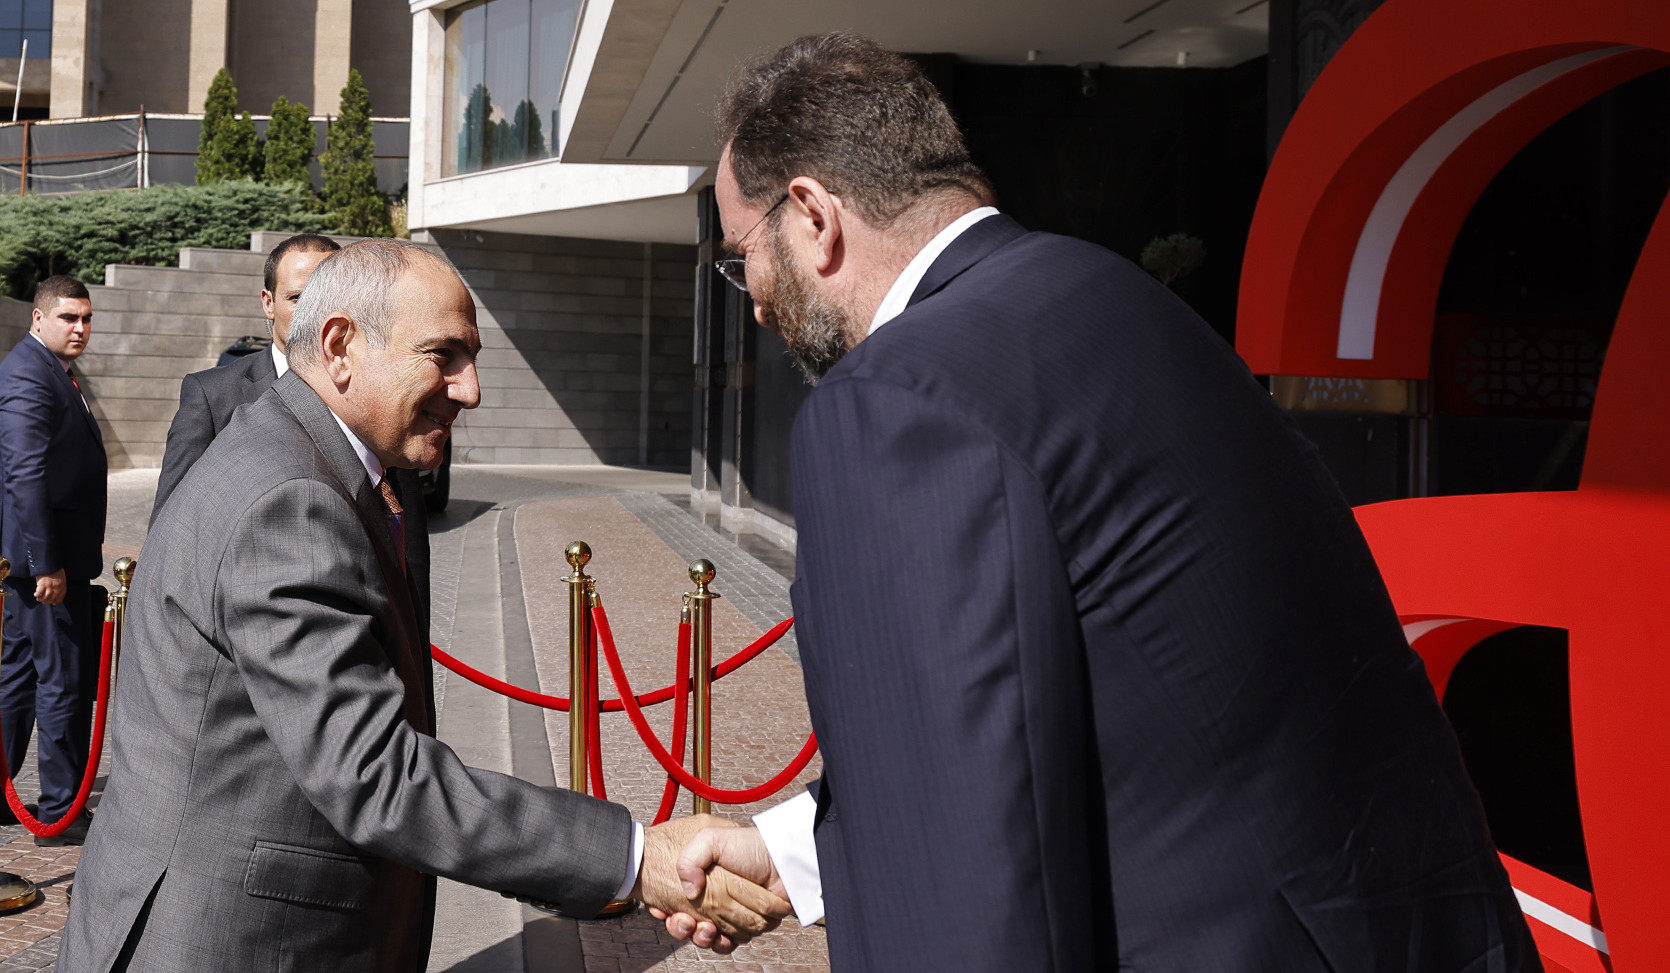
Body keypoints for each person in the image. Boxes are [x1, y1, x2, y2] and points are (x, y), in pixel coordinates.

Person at [658, 33, 1539, 971]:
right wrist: (796, 854)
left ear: (813, 215)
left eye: (743, 256)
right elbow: (1105, 705)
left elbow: (966, 892)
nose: (755, 301)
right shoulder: (1122, 298)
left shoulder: (894, 399)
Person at [59, 240, 788, 971]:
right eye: (444, 355)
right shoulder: (292, 500)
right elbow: (376, 774)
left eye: (472, 358)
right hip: (230, 941)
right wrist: (634, 856)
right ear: (340, 346)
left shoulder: (301, 456)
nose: (470, 390)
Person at [151, 233, 433, 636]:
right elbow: (170, 535)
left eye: (328, 296)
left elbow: (409, 550)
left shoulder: (379, 398)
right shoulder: (213, 397)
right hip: (245, 636)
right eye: (299, 297)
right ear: (268, 303)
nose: (313, 311)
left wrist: (414, 648)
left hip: (366, 628)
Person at [0, 275, 107, 846]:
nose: (80, 328)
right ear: (38, 318)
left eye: (86, 318)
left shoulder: (51, 369)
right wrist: (46, 564)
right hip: (46, 566)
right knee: (62, 680)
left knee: (18, 676)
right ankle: (61, 810)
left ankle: (2, 795)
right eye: (69, 318)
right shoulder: (28, 374)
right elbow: (24, 475)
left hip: (41, 562)